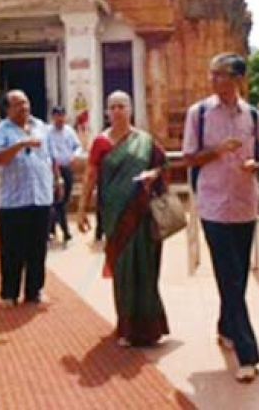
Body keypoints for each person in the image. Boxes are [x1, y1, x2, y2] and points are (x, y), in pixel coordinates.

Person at [182, 53, 259, 383]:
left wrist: (255, 166)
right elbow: (190, 158)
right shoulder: (200, 113)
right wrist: (218, 151)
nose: (215, 81)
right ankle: (248, 355)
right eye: (213, 74)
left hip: (244, 204)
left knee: (238, 277)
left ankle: (225, 326)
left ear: (237, 79)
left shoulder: (252, 115)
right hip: (214, 205)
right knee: (229, 277)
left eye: (221, 75)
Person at [76, 90, 169, 347]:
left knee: (147, 270)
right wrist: (83, 209)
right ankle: (127, 328)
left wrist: (153, 174)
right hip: (116, 217)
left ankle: (151, 329)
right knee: (123, 272)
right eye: (112, 106)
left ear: (130, 110)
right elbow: (91, 176)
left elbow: (163, 166)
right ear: (106, 111)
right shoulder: (101, 143)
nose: (117, 111)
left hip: (144, 215)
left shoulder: (145, 141)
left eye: (122, 106)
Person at [0, 90, 60, 306]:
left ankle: (34, 290)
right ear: (7, 109)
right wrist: (20, 145)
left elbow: (51, 157)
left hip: (41, 197)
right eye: (18, 104)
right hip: (14, 201)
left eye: (26, 102)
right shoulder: (1, 131)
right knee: (12, 250)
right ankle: (9, 293)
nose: (24, 107)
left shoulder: (41, 127)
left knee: (38, 249)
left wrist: (58, 180)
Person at [47, 106, 82, 245]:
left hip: (67, 167)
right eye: (57, 116)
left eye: (62, 116)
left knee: (63, 200)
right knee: (57, 201)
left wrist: (74, 156)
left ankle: (52, 228)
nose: (60, 119)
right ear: (53, 117)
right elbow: (48, 151)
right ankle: (65, 231)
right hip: (53, 169)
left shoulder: (69, 131)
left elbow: (77, 146)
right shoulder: (48, 133)